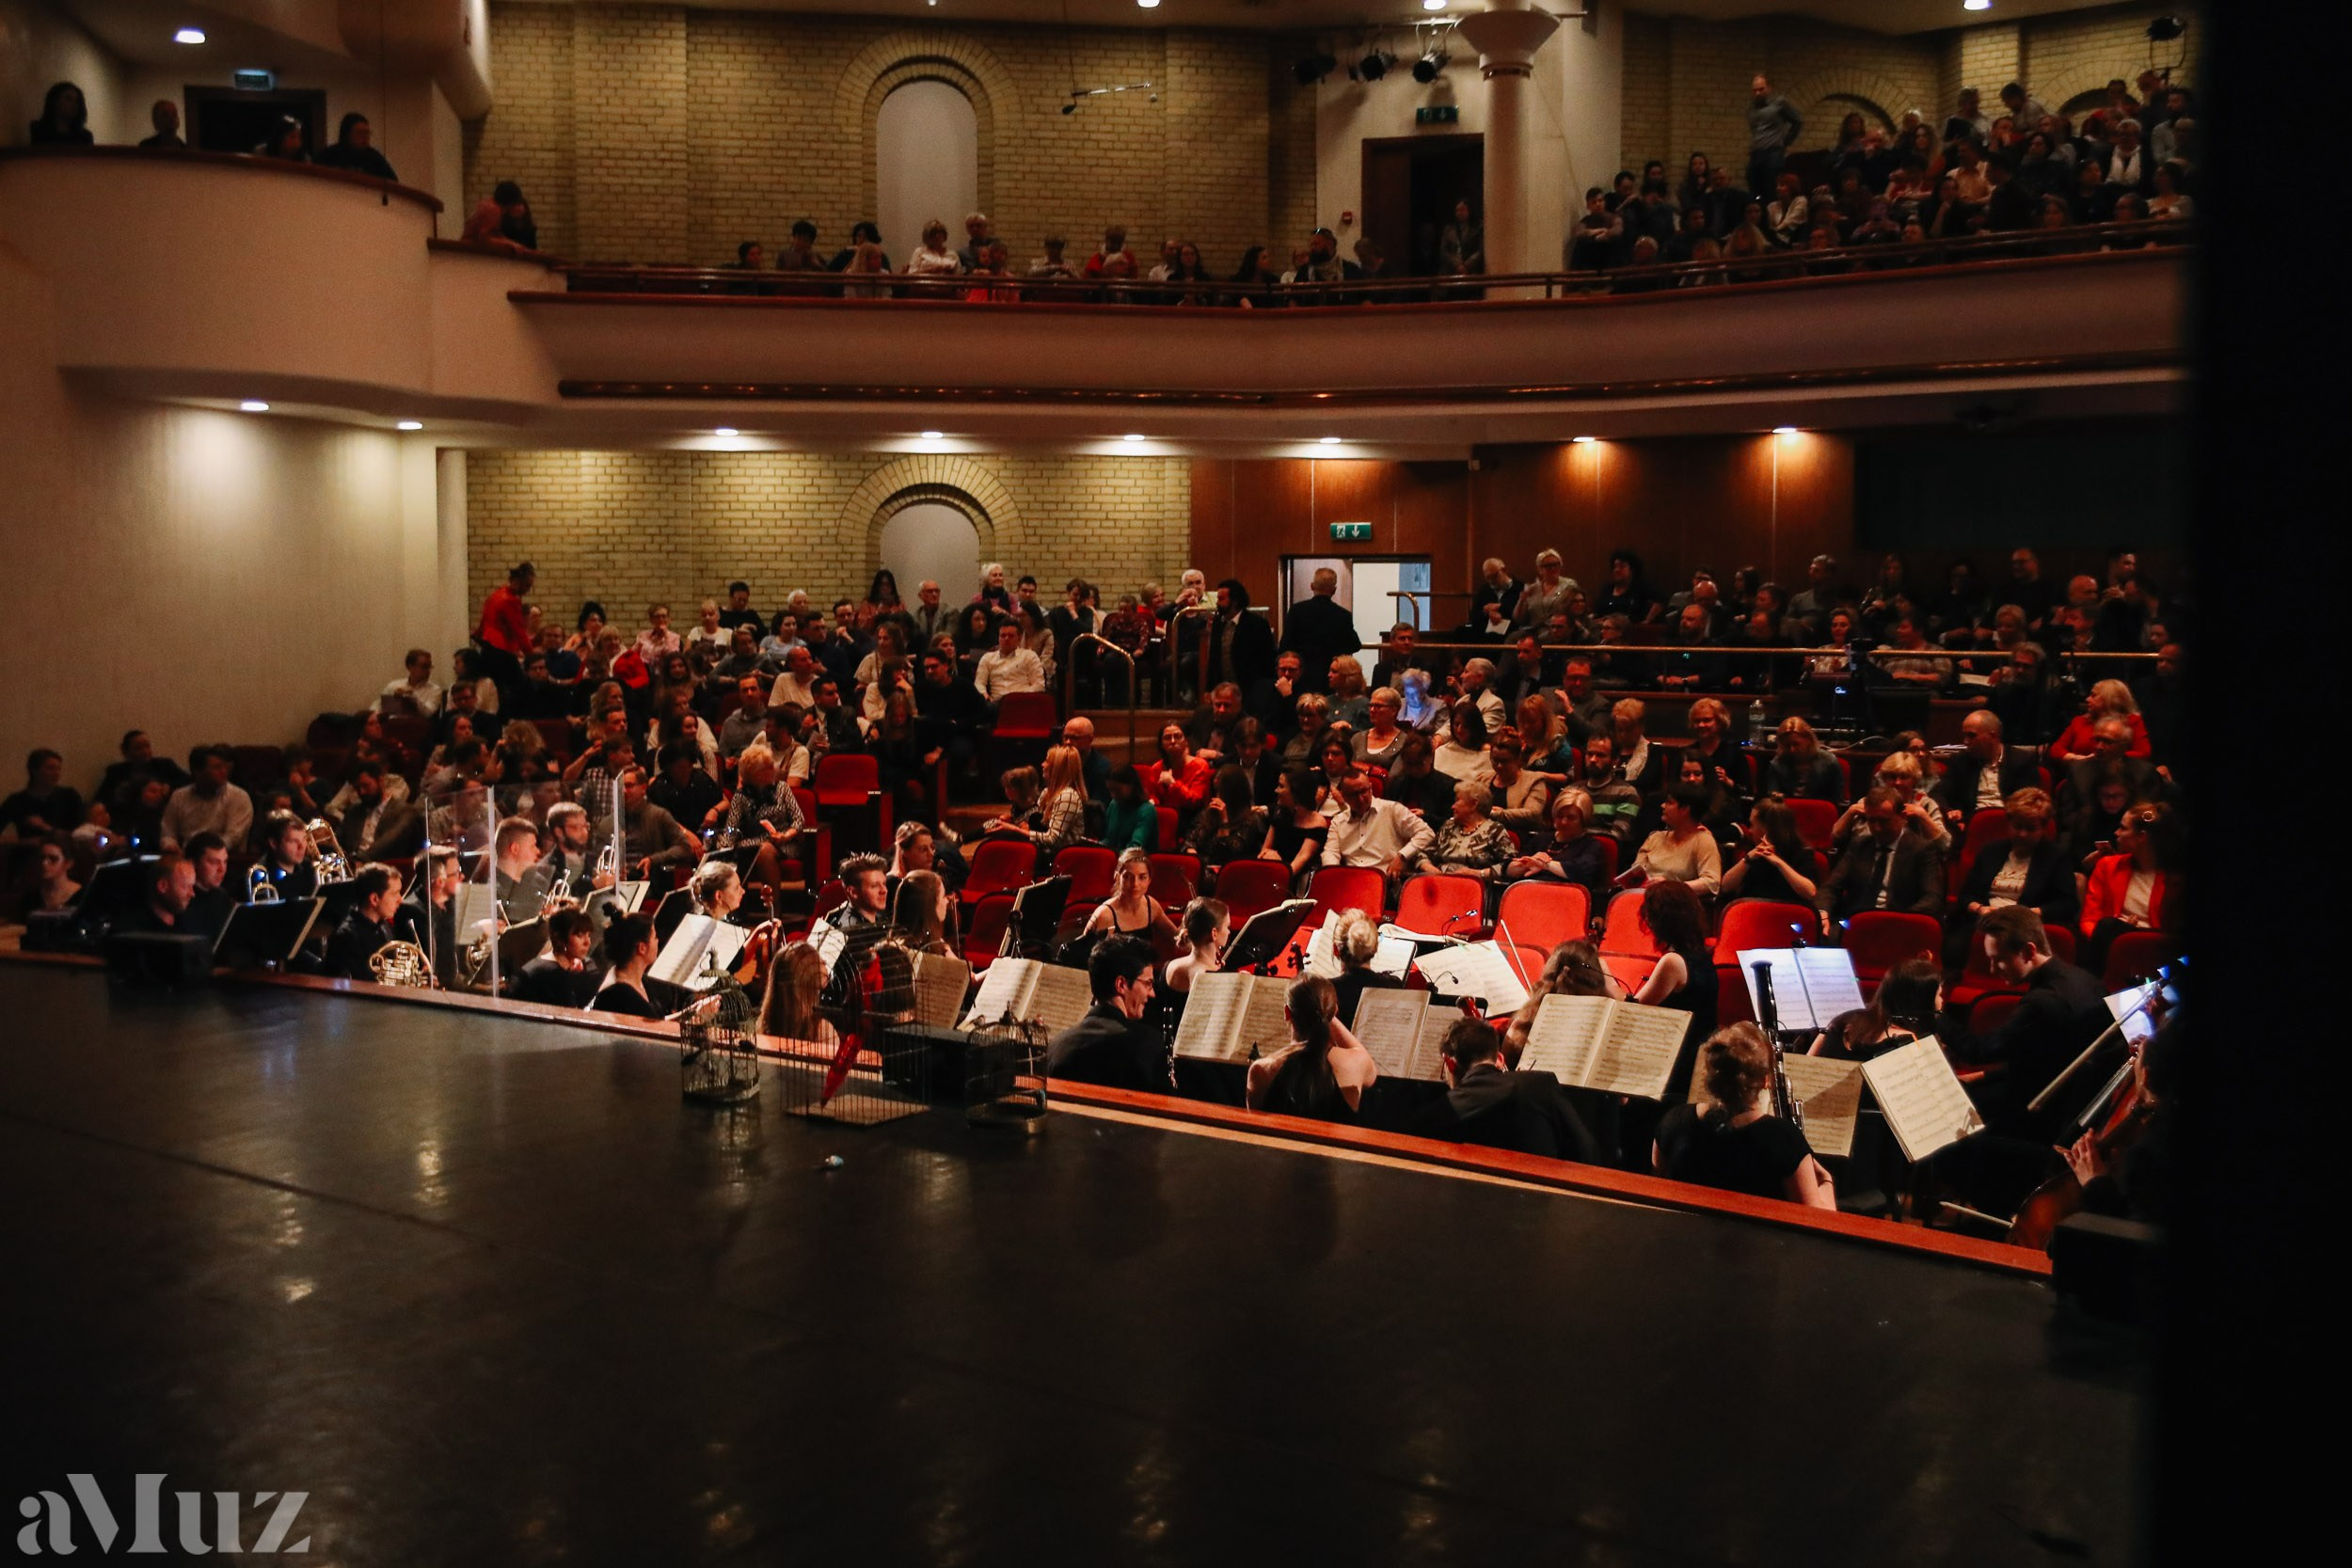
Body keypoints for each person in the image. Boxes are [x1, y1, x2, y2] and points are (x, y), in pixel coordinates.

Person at [1963, 907, 2110, 1135]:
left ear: (2028, 951)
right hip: (2064, 1102)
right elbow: (2044, 1060)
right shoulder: (2087, 981)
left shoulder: (2043, 1002)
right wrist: (1984, 1076)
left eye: (1999, 959)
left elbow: (1978, 1052)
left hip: (2041, 1120)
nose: (1992, 970)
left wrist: (1935, 1016)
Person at [1654, 1024, 1835, 1209]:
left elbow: (1659, 1194)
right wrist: (1825, 1180)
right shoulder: (1784, 1138)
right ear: (1766, 1081)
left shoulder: (1672, 1121)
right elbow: (1814, 1219)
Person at [1410, 1018, 1599, 1162]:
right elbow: (1587, 1152)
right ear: (1500, 1059)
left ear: (1449, 1063)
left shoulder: (1436, 1114)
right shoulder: (1541, 1084)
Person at [1046, 935, 1170, 1090]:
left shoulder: (1057, 1046)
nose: (1152, 994)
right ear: (1121, 985)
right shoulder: (1147, 1044)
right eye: (1147, 984)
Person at [1246, 975, 1375, 1119]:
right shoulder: (1353, 1064)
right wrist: (1326, 1013)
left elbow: (1255, 1127)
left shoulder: (1262, 1070)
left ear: (1287, 1012)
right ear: (1335, 1011)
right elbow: (1371, 1073)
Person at [1817, 787, 1945, 930]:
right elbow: (1831, 887)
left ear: (1902, 817)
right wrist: (1822, 913)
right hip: (1857, 923)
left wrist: (1899, 920)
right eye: (1871, 821)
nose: (1877, 828)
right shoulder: (1859, 845)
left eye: (1884, 821)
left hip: (1900, 925)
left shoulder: (1921, 850)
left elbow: (1932, 898)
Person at [2079, 800, 2183, 971]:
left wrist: (2133, 933)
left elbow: (2171, 933)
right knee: (2108, 926)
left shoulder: (2174, 878)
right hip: (2110, 947)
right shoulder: (2107, 866)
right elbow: (2089, 920)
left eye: (2123, 828)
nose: (2116, 833)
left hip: (2155, 951)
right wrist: (2115, 937)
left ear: (2141, 837)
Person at [1932, 709, 2041, 822]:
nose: (1966, 741)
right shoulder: (1961, 760)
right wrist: (1949, 811)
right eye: (1965, 735)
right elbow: (1938, 793)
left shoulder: (2021, 760)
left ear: (1993, 736)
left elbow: (2029, 802)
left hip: (2011, 823)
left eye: (1971, 735)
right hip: (1970, 823)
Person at [1323, 769, 1435, 879]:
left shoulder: (1392, 809)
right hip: (1352, 880)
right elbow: (1330, 852)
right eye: (1354, 794)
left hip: (1385, 880)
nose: (1360, 799)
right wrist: (1333, 874)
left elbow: (1426, 833)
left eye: (1363, 791)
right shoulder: (1338, 821)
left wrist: (1402, 856)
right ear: (1343, 796)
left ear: (1370, 788)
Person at [1718, 796, 1820, 909]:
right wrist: (1748, 858)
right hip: (1753, 911)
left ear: (1767, 829)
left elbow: (1809, 892)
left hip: (1787, 913)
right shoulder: (1753, 849)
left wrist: (1778, 863)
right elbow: (1725, 887)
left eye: (1752, 825)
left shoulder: (1802, 852)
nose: (1750, 830)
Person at [1630, 783, 1723, 897]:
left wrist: (1671, 887)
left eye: (1669, 803)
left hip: (1677, 903)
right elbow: (1635, 872)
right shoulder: (1655, 837)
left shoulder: (1703, 841)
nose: (1662, 806)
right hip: (1643, 897)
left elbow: (1711, 882)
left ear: (1684, 809)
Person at [160, 746, 254, 853]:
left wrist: (201, 852)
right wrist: (170, 846)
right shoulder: (179, 796)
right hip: (186, 856)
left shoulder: (239, 796)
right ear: (198, 772)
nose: (224, 771)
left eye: (224, 767)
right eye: (217, 768)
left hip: (227, 857)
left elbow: (233, 838)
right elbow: (167, 833)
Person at [1080, 847, 1177, 949]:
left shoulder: (1151, 905)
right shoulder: (1104, 915)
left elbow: (1177, 939)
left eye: (1142, 877)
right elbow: (1082, 954)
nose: (1135, 884)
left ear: (1149, 880)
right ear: (1118, 877)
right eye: (1128, 877)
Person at [322, 864, 405, 980]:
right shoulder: (346, 937)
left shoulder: (384, 926)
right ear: (374, 899)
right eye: (394, 894)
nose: (400, 900)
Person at [757, 940, 840, 1049]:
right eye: (814, 961)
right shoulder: (823, 1031)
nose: (824, 961)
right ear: (805, 977)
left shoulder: (762, 1024)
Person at [1428, 781, 1517, 879]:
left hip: (1475, 885)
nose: (1453, 806)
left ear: (1474, 804)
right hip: (1439, 881)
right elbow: (1424, 854)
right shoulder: (1448, 826)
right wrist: (1430, 869)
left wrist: (1478, 873)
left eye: (1457, 800)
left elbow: (1510, 865)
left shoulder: (1495, 830)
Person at [1260, 765, 1329, 888]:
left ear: (1296, 793)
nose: (1276, 790)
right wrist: (1269, 860)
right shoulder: (1280, 812)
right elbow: (1264, 850)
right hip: (1272, 872)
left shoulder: (1317, 822)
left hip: (1299, 883)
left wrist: (1280, 869)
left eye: (1281, 786)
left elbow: (1302, 858)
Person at [1745, 74, 1804, 206]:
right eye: (1755, 90)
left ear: (1769, 88)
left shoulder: (1780, 103)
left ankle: (1772, 213)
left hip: (1773, 153)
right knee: (1753, 187)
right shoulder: (1751, 108)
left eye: (1761, 89)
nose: (1758, 93)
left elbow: (1797, 121)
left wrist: (1785, 141)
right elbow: (1754, 130)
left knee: (1771, 187)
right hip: (1756, 153)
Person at [2, 750, 84, 842]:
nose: (57, 774)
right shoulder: (16, 801)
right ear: (34, 771)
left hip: (63, 849)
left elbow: (81, 835)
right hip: (28, 849)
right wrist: (16, 841)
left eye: (59, 769)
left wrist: (44, 827)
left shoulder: (69, 796)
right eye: (50, 768)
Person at [1164, 897, 1229, 993]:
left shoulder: (1169, 966)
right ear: (1214, 933)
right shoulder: (1214, 979)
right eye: (1227, 926)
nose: (1228, 932)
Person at [315, 112, 397, 181]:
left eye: (367, 133)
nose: (365, 137)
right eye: (360, 133)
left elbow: (393, 182)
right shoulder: (328, 155)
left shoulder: (375, 159)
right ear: (347, 134)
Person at [29, 82, 94, 146]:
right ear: (55, 101)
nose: (74, 105)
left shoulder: (84, 136)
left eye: (77, 101)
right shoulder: (39, 130)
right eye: (68, 99)